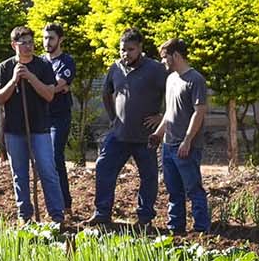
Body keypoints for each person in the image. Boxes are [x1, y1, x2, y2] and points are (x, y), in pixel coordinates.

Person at [90, 29, 164, 229]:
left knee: (148, 176)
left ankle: (145, 217)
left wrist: (161, 118)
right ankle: (102, 213)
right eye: (123, 50)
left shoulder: (156, 69)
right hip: (120, 134)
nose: (126, 54)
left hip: (145, 136)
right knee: (103, 167)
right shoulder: (116, 68)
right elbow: (107, 92)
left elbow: (173, 93)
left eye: (130, 50)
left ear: (140, 48)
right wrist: (113, 117)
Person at [0, 25, 66, 223]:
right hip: (14, 130)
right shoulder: (5, 67)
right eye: (23, 43)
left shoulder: (42, 66)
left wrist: (31, 77)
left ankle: (57, 215)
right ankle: (24, 215)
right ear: (13, 45)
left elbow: (49, 94)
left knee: (48, 171)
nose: (28, 47)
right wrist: (15, 79)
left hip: (40, 128)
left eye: (31, 42)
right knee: (20, 174)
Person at [157, 35, 213, 234]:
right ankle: (176, 228)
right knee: (173, 191)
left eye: (165, 57)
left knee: (193, 189)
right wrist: (157, 134)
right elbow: (170, 112)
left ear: (176, 55)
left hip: (186, 146)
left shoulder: (195, 80)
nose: (163, 61)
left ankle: (201, 229)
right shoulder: (171, 79)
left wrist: (187, 140)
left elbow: (199, 111)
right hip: (168, 145)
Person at [39, 19, 78, 218]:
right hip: (41, 117)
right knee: (42, 162)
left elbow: (56, 86)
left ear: (60, 40)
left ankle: (65, 204)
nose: (47, 42)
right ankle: (50, 204)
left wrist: (54, 88)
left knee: (55, 158)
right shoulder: (40, 61)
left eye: (51, 38)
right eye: (45, 38)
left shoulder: (66, 62)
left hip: (59, 117)